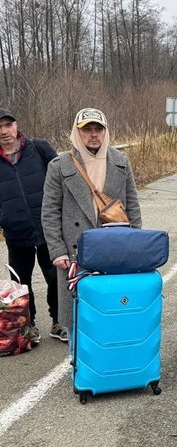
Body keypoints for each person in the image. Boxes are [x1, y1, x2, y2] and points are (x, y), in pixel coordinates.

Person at [41, 108, 142, 339]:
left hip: (115, 247)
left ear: (105, 132)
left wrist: (136, 245)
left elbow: (133, 207)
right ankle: (80, 367)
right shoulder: (59, 165)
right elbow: (49, 211)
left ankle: (109, 364)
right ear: (78, 133)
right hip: (75, 252)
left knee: (112, 306)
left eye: (98, 129)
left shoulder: (120, 161)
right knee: (77, 315)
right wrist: (57, 250)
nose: (93, 134)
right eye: (87, 129)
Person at [0, 108, 63, 344]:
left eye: (8, 125)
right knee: (21, 283)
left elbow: (60, 180)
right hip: (16, 232)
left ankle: (60, 322)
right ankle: (28, 326)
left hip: (48, 227)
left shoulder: (39, 148)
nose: (4, 131)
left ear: (16, 126)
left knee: (56, 277)